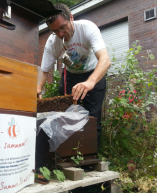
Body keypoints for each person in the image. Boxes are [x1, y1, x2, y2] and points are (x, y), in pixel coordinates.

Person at [37, 3, 111, 149]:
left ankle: (89, 158)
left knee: (92, 118)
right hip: (70, 77)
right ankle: (66, 156)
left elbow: (105, 60)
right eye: (55, 31)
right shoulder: (52, 42)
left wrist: (90, 82)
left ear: (71, 18)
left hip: (93, 74)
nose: (60, 34)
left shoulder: (87, 28)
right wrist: (38, 87)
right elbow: (45, 71)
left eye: (63, 27)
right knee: (64, 117)